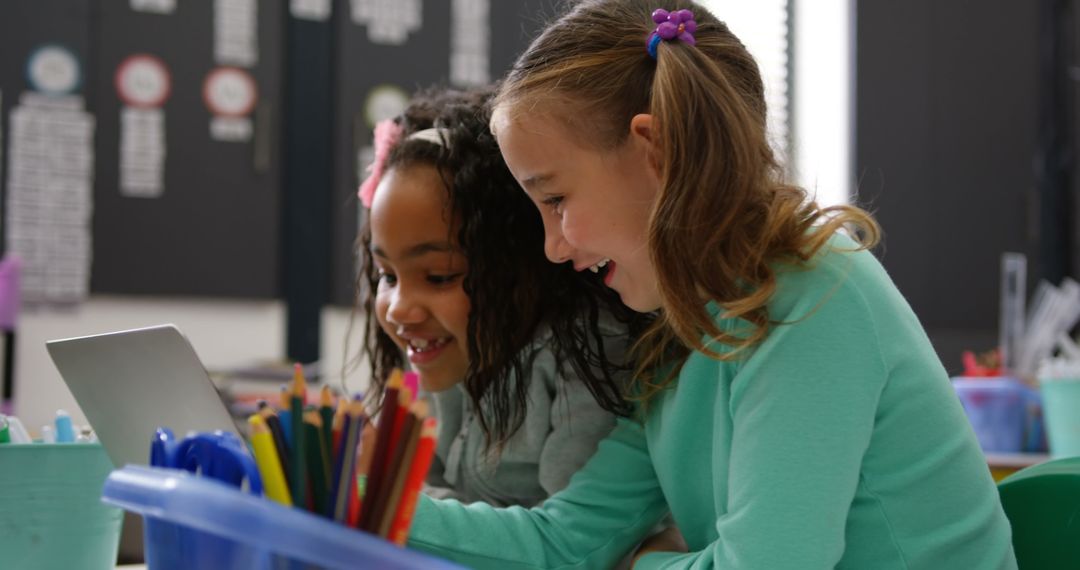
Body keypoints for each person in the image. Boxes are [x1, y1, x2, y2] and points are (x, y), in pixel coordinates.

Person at [404, 1, 1018, 568]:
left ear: (656, 151)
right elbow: (566, 543)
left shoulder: (816, 296)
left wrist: (640, 563)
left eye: (556, 199)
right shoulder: (679, 329)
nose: (553, 246)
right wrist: (370, 506)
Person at [356, 86, 643, 507]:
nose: (400, 308)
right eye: (387, 275)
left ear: (518, 262)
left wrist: (383, 496)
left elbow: (572, 541)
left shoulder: (588, 355)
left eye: (438, 276)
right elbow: (425, 491)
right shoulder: (433, 352)